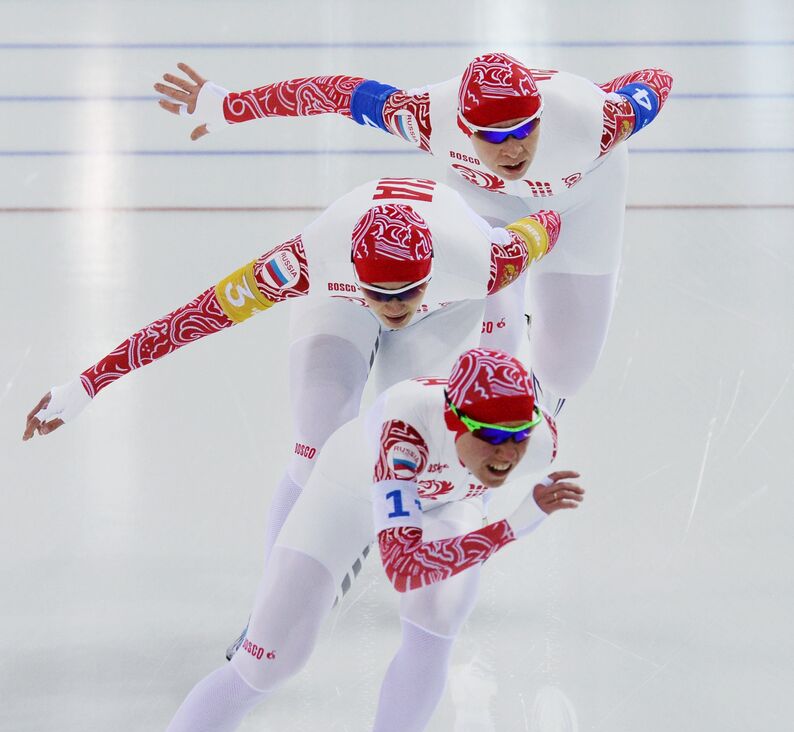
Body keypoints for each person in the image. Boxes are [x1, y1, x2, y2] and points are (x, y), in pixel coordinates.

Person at [73, 347, 584, 732]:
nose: (507, 454)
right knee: (268, 661)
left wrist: (494, 506)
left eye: (518, 436)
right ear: (454, 419)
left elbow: (443, 541)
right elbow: (404, 566)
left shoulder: (539, 440)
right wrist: (514, 525)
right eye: (492, 438)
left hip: (448, 505)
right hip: (346, 496)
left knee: (439, 616)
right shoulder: (405, 431)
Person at [23, 179, 559, 574]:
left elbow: (552, 222)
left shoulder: (485, 259)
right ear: (355, 273)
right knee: (315, 441)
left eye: (405, 292)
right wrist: (86, 385)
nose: (393, 309)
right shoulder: (305, 262)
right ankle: (273, 596)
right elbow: (187, 322)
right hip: (337, 299)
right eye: (380, 294)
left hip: (449, 305)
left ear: (429, 274)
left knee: (431, 440)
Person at [155, 51, 672, 409]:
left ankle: (555, 337)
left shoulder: (599, 121)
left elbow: (657, 78)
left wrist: (601, 95)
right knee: (498, 306)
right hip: (485, 197)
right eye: (494, 135)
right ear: (464, 128)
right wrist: (231, 106)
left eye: (524, 129)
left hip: (582, 201)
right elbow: (339, 93)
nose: (513, 148)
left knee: (566, 373)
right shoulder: (427, 117)